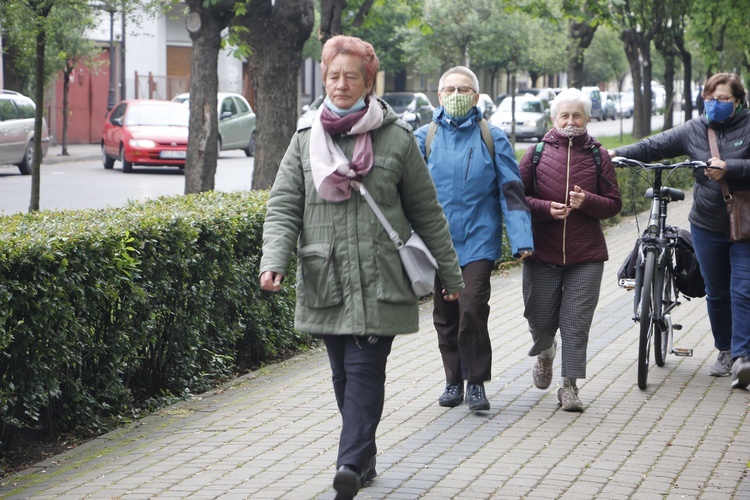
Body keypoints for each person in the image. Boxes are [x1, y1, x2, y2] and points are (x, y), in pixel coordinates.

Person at [259, 36, 464, 500]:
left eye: (352, 76)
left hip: (381, 278)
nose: (341, 84)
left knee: (366, 370)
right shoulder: (305, 139)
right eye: (334, 75)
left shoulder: (396, 138)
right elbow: (284, 206)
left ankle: (349, 464)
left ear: (368, 81)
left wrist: (451, 276)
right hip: (325, 277)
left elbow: (427, 212)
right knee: (343, 377)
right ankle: (365, 452)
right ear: (324, 79)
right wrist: (273, 260)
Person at [611, 72, 750, 389]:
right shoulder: (695, 129)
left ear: (739, 101)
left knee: (743, 291)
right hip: (707, 224)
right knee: (717, 292)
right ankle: (726, 351)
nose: (715, 105)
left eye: (723, 99)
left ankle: (744, 358)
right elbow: (654, 146)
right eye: (709, 99)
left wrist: (731, 167)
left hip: (745, 224)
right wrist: (616, 154)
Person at [414, 66, 534, 413]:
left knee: (472, 309)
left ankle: (477, 382)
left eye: (463, 90)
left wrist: (521, 238)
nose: (455, 96)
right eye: (449, 89)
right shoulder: (425, 137)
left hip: (479, 241)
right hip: (437, 243)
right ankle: (453, 380)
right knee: (446, 313)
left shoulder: (492, 137)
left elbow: (511, 192)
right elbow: (406, 193)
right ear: (439, 96)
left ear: (476, 97)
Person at [518, 88, 622, 412]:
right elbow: (516, 198)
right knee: (540, 320)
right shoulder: (535, 152)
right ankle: (545, 353)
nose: (571, 121)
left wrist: (587, 201)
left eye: (577, 115)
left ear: (588, 119)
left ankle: (569, 387)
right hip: (542, 253)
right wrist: (546, 208)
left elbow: (614, 204)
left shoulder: (598, 155)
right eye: (565, 114)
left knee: (576, 323)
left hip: (586, 255)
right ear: (553, 118)